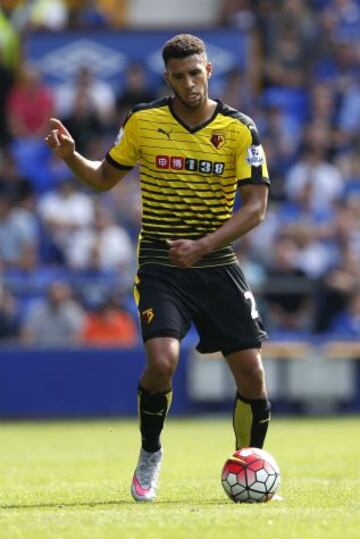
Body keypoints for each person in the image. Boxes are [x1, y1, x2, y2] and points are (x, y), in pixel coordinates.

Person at [45, 34, 272, 503]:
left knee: (251, 375)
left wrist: (204, 245)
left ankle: (248, 464)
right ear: (167, 78)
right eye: (179, 76)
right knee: (162, 362)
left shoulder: (239, 129)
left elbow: (256, 209)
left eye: (196, 73)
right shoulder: (144, 121)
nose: (189, 83)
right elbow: (104, 178)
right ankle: (151, 451)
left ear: (209, 71)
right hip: (161, 261)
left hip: (216, 261)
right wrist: (70, 157)